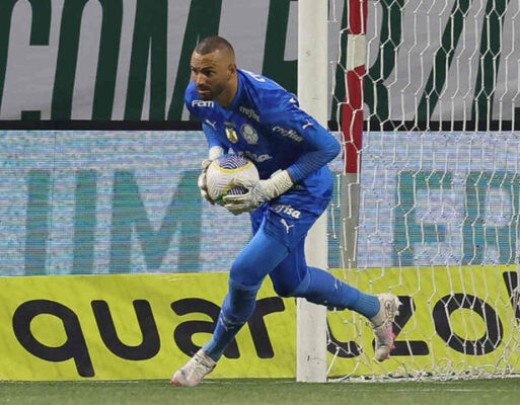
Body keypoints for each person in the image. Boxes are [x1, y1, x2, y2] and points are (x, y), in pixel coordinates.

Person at [171, 36, 400, 387]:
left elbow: (327, 147)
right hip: (258, 186)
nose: (199, 80)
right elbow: (211, 125)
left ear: (231, 70)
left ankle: (209, 355)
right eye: (195, 71)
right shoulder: (197, 96)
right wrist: (215, 160)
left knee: (245, 272)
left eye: (208, 72)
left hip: (302, 189)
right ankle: (375, 308)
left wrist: (273, 187)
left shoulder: (269, 105)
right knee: (291, 283)